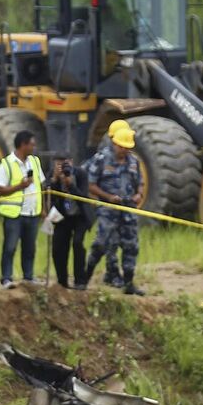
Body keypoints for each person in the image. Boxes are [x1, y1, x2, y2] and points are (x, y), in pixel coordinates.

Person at [83, 124, 146, 292]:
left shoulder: (134, 161)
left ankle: (128, 283)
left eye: (128, 147)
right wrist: (108, 197)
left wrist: (139, 194)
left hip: (128, 210)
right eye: (122, 147)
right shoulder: (102, 159)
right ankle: (84, 279)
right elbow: (90, 184)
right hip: (108, 211)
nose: (125, 150)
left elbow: (140, 182)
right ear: (115, 144)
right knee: (101, 244)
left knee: (130, 246)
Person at [0, 130, 44, 286]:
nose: (33, 148)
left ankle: (28, 277)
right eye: (32, 144)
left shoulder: (35, 161)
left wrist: (43, 208)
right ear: (23, 145)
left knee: (30, 248)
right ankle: (6, 278)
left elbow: (40, 185)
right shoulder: (6, 164)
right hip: (14, 214)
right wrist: (20, 186)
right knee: (10, 247)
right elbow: (0, 189)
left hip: (32, 212)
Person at [47, 157, 92, 290]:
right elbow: (47, 194)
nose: (63, 167)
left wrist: (71, 185)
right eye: (59, 163)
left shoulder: (81, 174)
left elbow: (84, 198)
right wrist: (54, 180)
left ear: (72, 161)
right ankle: (62, 281)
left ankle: (80, 281)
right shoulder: (52, 174)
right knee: (58, 247)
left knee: (77, 243)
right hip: (63, 217)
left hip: (80, 216)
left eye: (66, 163)